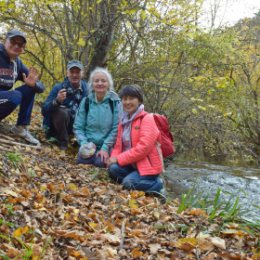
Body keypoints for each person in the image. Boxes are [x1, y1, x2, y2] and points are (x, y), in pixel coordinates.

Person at [107, 84, 164, 194]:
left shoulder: (147, 119)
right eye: (125, 99)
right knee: (113, 169)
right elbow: (118, 145)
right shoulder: (124, 121)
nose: (127, 102)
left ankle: (158, 184)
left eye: (131, 98)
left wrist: (118, 159)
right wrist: (113, 157)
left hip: (147, 166)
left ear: (139, 100)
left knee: (128, 184)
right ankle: (137, 181)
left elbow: (143, 148)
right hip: (132, 164)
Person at [0, 29, 45, 145]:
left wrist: (34, 84)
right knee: (15, 96)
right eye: (13, 41)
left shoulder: (18, 64)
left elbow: (41, 86)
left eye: (20, 44)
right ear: (5, 41)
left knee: (29, 88)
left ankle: (20, 128)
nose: (16, 46)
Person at [73, 67, 121, 167]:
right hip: (89, 144)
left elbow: (117, 128)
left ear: (108, 84)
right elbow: (78, 126)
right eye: (96, 81)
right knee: (82, 161)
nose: (100, 83)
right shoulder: (86, 101)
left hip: (106, 145)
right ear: (92, 84)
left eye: (103, 81)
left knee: (100, 163)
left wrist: (105, 148)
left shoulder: (115, 102)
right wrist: (84, 143)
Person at [42, 60, 89, 150]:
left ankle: (81, 141)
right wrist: (57, 101)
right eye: (72, 72)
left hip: (78, 124)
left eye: (77, 72)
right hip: (59, 125)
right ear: (67, 73)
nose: (74, 75)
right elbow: (44, 110)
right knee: (61, 111)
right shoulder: (58, 88)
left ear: (82, 73)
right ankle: (63, 141)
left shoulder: (88, 89)